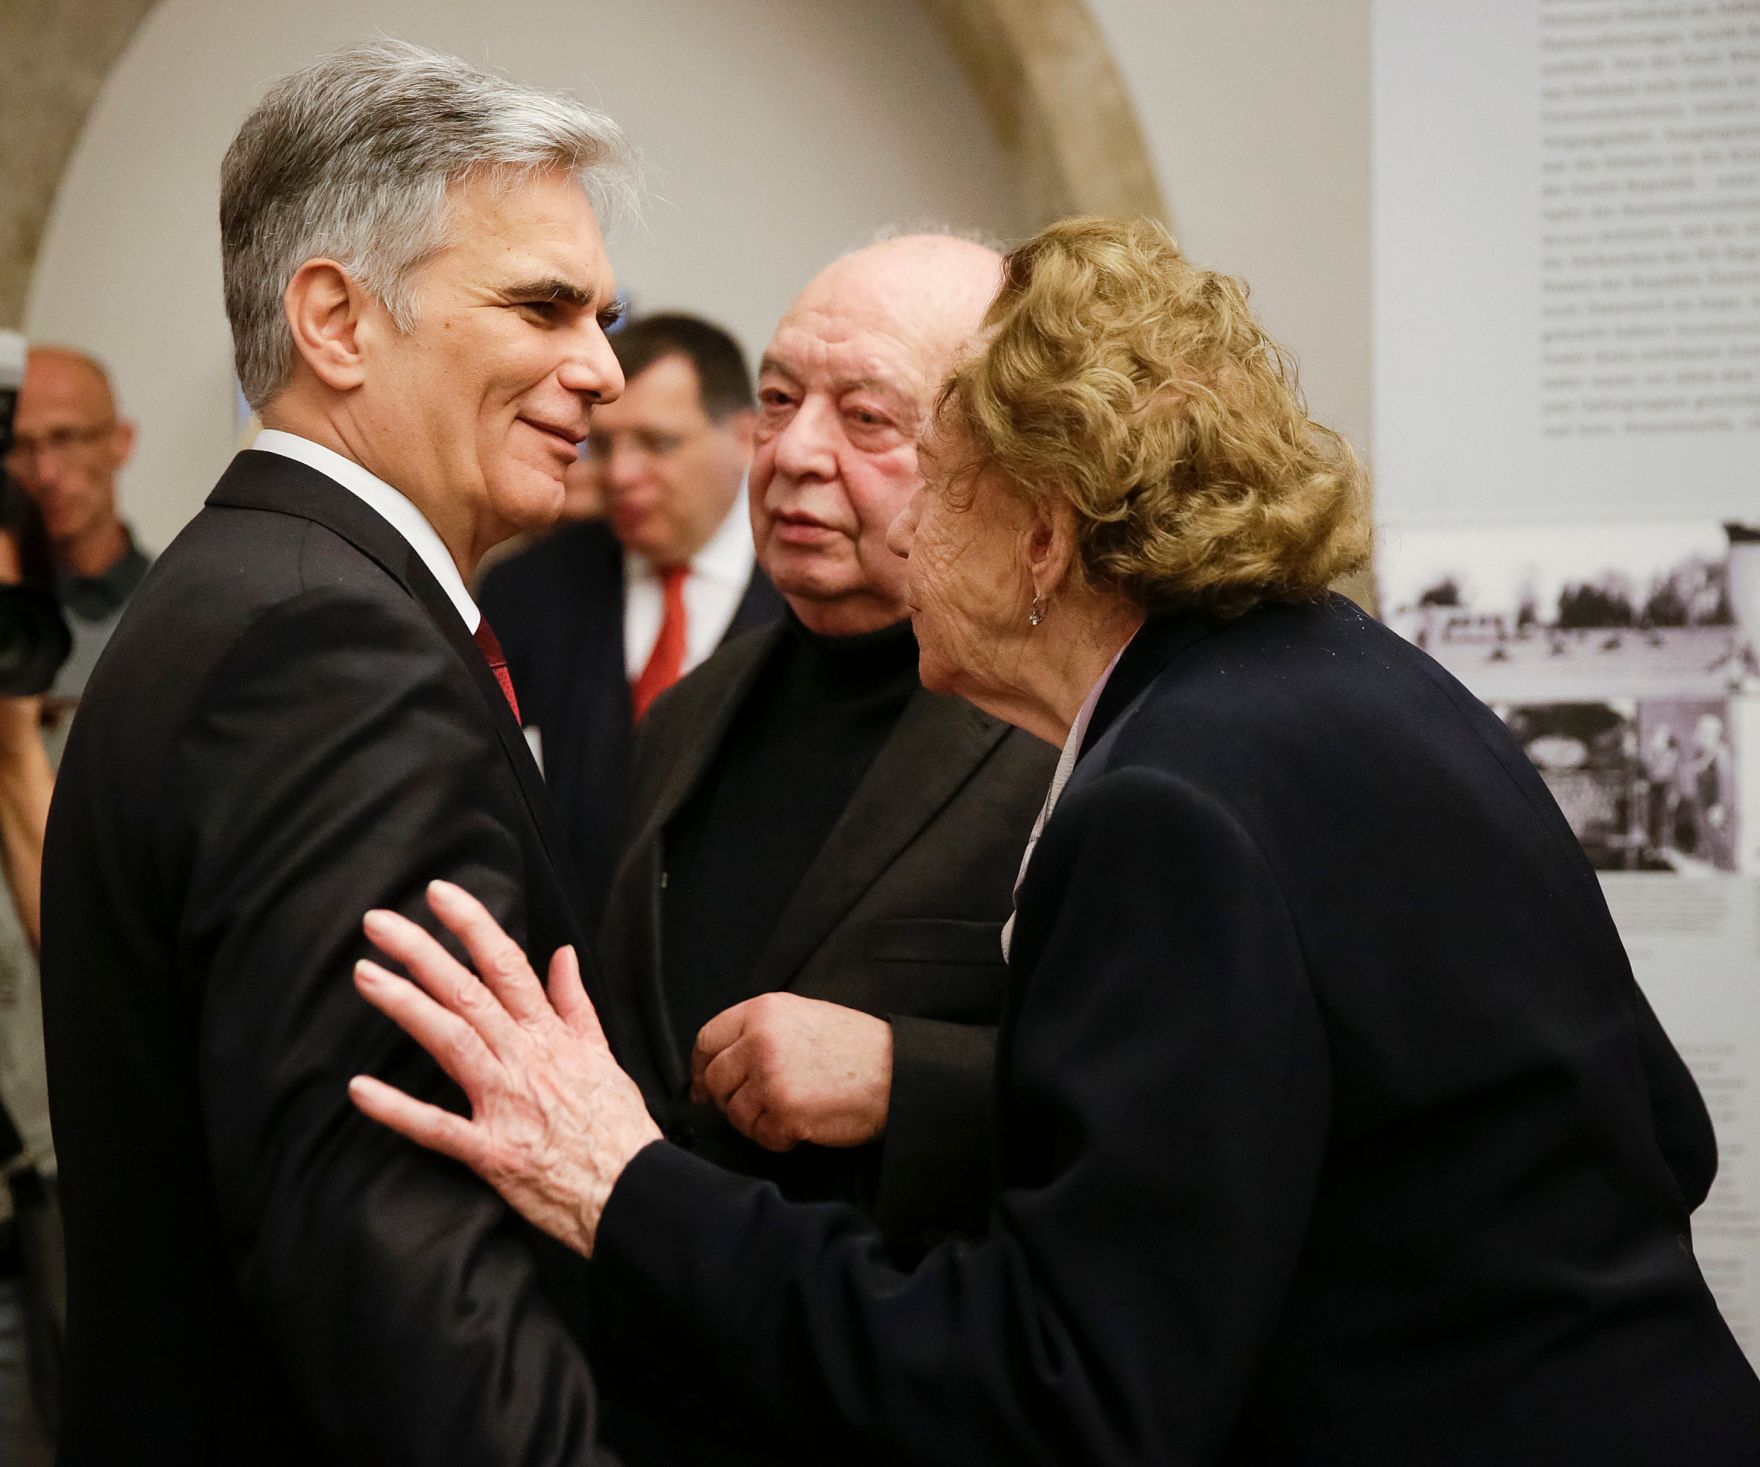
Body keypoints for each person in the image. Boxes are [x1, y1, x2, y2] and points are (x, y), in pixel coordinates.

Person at [351, 216, 1760, 1465]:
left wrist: (628, 1187)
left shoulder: (1164, 806)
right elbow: (1660, 1130)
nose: (898, 529)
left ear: (1041, 533)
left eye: (938, 475)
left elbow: (1062, 1390)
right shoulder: (1361, 684)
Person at [40, 41, 633, 1465]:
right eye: (544, 306)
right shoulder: (324, 652)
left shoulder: (258, 585)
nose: (603, 368)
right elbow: (391, 1260)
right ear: (337, 318)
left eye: (602, 314)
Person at [586, 237, 1055, 1459]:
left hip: (923, 1401)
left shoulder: (1066, 726)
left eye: (866, 417)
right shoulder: (693, 713)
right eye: (783, 400)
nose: (793, 452)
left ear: (1000, 454)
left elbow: (1190, 1112)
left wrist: (911, 1079)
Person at [479, 313, 784, 922]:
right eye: (608, 444)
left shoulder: (805, 595)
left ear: (746, 437)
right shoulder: (527, 590)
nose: (620, 474)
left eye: (658, 443)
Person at [5, 347, 151, 707]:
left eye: (66, 438)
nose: (45, 474)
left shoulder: (187, 605)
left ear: (121, 441)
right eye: (20, 446)